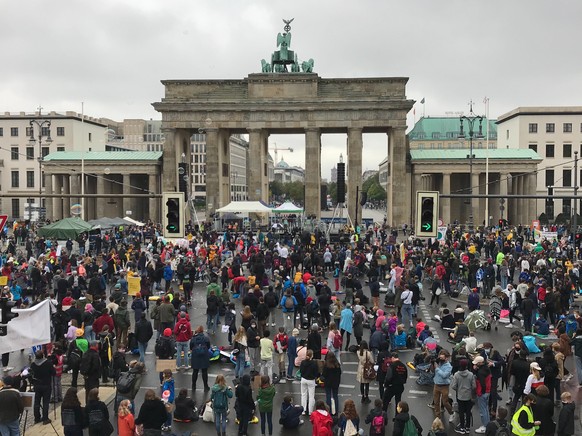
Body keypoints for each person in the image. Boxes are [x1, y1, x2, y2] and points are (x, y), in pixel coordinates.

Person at [30, 349, 56, 425]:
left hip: (37, 385)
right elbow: (53, 373)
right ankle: (45, 418)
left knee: (37, 402)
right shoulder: (48, 363)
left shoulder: (33, 364)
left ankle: (37, 418)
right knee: (45, 402)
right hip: (46, 385)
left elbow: (31, 374)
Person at [450, 359, 476, 434]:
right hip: (468, 396)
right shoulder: (471, 374)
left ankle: (462, 427)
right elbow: (474, 386)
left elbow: (453, 386)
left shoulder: (456, 375)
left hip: (460, 396)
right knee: (468, 412)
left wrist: (459, 389)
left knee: (461, 412)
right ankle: (467, 427)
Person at [431, 350, 454, 421]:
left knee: (445, 402)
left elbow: (444, 375)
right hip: (436, 385)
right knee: (436, 402)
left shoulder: (449, 366)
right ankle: (438, 417)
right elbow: (432, 371)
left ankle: (451, 413)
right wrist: (432, 364)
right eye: (439, 357)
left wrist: (437, 368)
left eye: (442, 358)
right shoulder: (438, 363)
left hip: (444, 386)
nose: (440, 359)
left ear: (446, 358)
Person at [472, 355, 491, 434]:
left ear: (480, 363)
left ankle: (484, 426)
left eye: (476, 364)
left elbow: (482, 384)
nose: (475, 365)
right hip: (487, 391)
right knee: (486, 409)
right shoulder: (486, 368)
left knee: (482, 411)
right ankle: (488, 424)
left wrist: (481, 392)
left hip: (482, 393)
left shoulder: (480, 372)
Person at [190, 325, 211, 392]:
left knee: (195, 371)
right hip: (204, 355)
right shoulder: (206, 338)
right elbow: (208, 346)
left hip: (195, 355)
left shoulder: (193, 338)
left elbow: (191, 346)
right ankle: (205, 386)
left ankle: (193, 386)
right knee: (204, 371)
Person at [299, 349, 319, 414]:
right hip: (311, 380)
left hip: (303, 379)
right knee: (311, 396)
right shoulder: (314, 363)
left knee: (303, 395)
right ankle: (310, 411)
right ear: (311, 356)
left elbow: (301, 371)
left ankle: (303, 410)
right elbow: (316, 373)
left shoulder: (303, 362)